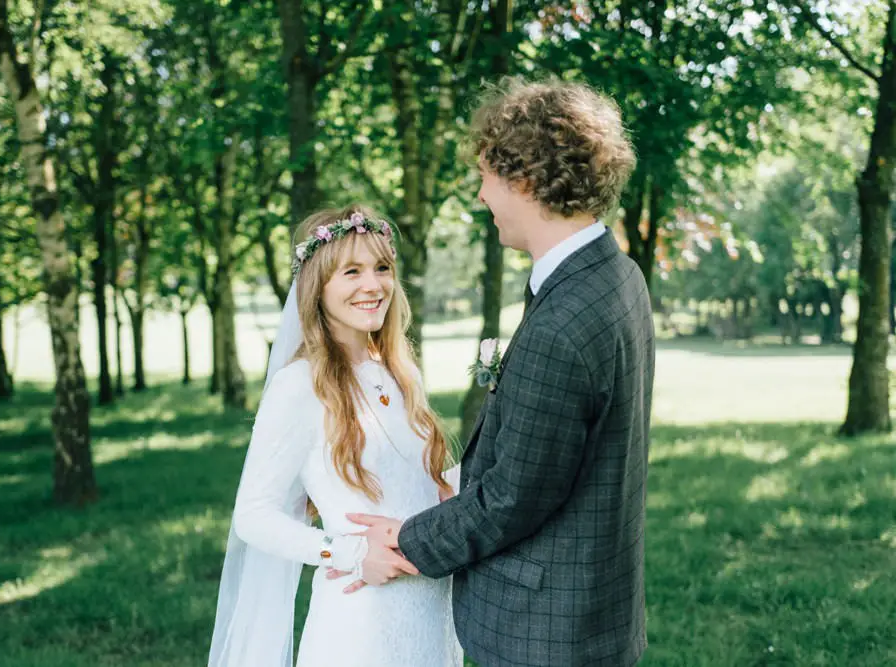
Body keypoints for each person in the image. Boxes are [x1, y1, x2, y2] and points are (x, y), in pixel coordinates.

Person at [343, 77, 655, 666]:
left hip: (545, 634)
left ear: (528, 180)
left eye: (488, 174)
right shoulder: (618, 277)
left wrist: (403, 537)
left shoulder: (565, 320)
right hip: (595, 613)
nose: (482, 194)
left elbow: (513, 499)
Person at [206, 205, 462, 667]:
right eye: (352, 271)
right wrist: (350, 551)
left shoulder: (400, 373)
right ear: (317, 287)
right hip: (360, 621)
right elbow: (253, 515)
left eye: (382, 268)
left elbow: (419, 483)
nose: (373, 285)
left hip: (430, 612)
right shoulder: (298, 386)